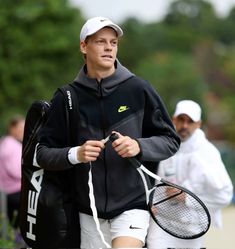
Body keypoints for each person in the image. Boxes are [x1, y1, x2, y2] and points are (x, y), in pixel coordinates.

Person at [35, 16, 180, 248]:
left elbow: (171, 140)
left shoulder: (138, 89)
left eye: (113, 42)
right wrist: (76, 154)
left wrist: (139, 146)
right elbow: (42, 153)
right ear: (84, 46)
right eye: (101, 42)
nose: (108, 47)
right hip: (86, 212)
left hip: (132, 205)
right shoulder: (66, 97)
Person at [147, 100, 233, 249]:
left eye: (190, 121)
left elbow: (224, 196)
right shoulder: (162, 145)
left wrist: (187, 198)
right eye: (181, 119)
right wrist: (148, 202)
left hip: (191, 229)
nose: (185, 126)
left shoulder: (208, 153)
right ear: (173, 119)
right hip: (160, 223)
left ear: (198, 124)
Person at [0, 115, 25, 229]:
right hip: (16, 193)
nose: (23, 130)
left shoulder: (4, 142)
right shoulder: (12, 145)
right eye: (21, 127)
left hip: (8, 193)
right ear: (12, 128)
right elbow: (17, 171)